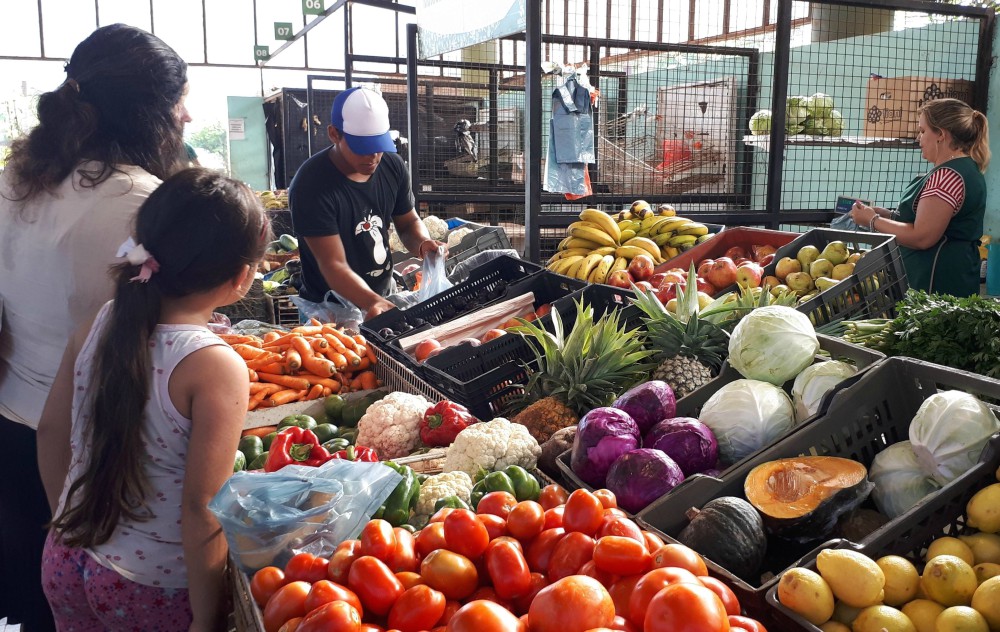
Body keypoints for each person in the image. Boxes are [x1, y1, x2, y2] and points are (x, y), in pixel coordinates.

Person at [0, 24, 189, 631]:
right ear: (151, 113)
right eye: (180, 100)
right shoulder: (139, 203)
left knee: (37, 596)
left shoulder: (11, 181)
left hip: (9, 426)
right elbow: (160, 341)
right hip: (94, 449)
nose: (187, 115)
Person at [36, 168, 267, 632]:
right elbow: (203, 509)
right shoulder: (215, 366)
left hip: (67, 557)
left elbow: (50, 431)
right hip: (152, 588)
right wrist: (207, 618)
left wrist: (70, 525)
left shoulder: (102, 320)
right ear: (242, 277)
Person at [288, 86, 445, 321]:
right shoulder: (311, 184)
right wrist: (373, 302)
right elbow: (333, 265)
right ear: (334, 134)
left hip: (383, 295)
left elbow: (408, 222)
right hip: (329, 309)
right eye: (362, 147)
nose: (372, 156)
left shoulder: (392, 166)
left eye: (378, 146)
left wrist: (422, 244)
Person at [850, 98, 989, 297]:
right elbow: (932, 223)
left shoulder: (946, 176)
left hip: (935, 283)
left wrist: (873, 220)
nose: (918, 138)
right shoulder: (966, 169)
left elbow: (922, 237)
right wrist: (889, 216)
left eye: (923, 131)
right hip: (954, 274)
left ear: (941, 134)